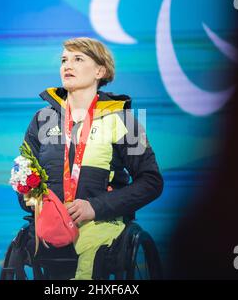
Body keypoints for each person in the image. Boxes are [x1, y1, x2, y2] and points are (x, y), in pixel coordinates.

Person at [16, 37, 163, 280]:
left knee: (91, 252)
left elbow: (151, 182)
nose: (67, 65)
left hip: (101, 224)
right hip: (50, 227)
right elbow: (23, 177)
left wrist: (95, 207)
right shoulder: (42, 119)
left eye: (78, 59)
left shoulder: (125, 121)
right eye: (64, 60)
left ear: (100, 71)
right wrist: (33, 200)